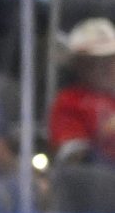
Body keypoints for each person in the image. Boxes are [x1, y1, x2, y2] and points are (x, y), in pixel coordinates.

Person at [48, 16, 115, 168]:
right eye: (95, 61)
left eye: (110, 59)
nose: (105, 67)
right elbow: (73, 157)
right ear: (79, 65)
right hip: (99, 183)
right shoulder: (69, 101)